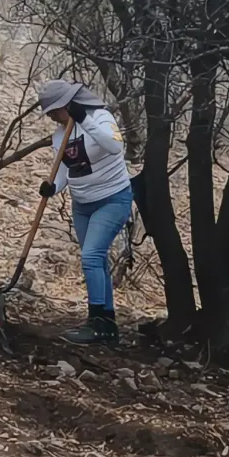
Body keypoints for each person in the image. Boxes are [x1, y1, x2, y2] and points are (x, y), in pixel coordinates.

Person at [36, 80, 133, 345]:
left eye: (55, 111)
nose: (52, 117)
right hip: (82, 205)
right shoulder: (60, 135)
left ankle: (95, 321)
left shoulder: (100, 117)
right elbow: (66, 171)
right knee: (97, 261)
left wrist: (83, 121)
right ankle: (107, 324)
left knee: (91, 256)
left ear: (67, 105)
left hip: (112, 199)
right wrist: (52, 188)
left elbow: (115, 146)